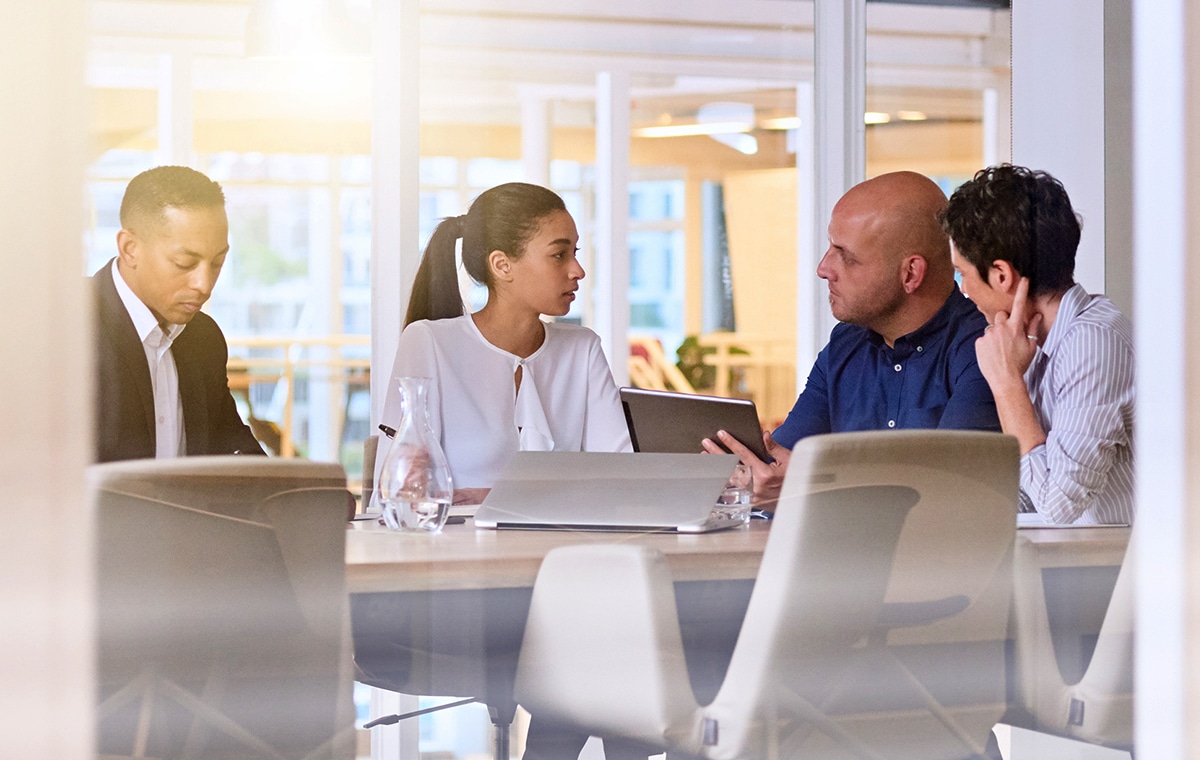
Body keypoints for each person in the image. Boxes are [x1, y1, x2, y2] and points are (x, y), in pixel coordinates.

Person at [377, 182, 637, 760]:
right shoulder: (430, 344)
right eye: (560, 254)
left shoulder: (582, 348)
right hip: (465, 593)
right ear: (502, 266)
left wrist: (491, 494)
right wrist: (559, 492)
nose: (579, 270)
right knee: (609, 653)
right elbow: (403, 491)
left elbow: (619, 482)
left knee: (630, 649)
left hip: (570, 582)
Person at [703, 171, 1000, 501]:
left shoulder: (984, 347)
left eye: (845, 255)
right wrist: (751, 473)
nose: (823, 268)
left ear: (911, 274)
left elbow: (949, 486)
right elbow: (782, 462)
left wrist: (806, 484)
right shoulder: (845, 345)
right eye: (830, 247)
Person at [940, 165, 1134, 525]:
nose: (963, 290)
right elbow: (1028, 495)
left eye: (963, 273)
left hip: (1128, 573)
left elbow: (1057, 506)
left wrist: (1007, 386)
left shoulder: (1091, 342)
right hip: (1083, 565)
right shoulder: (1032, 344)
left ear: (1001, 275)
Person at [93, 165, 263, 462]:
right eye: (185, 263)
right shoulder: (66, 326)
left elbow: (233, 448)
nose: (204, 284)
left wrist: (302, 496)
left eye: (217, 263)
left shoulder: (204, 338)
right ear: (130, 248)